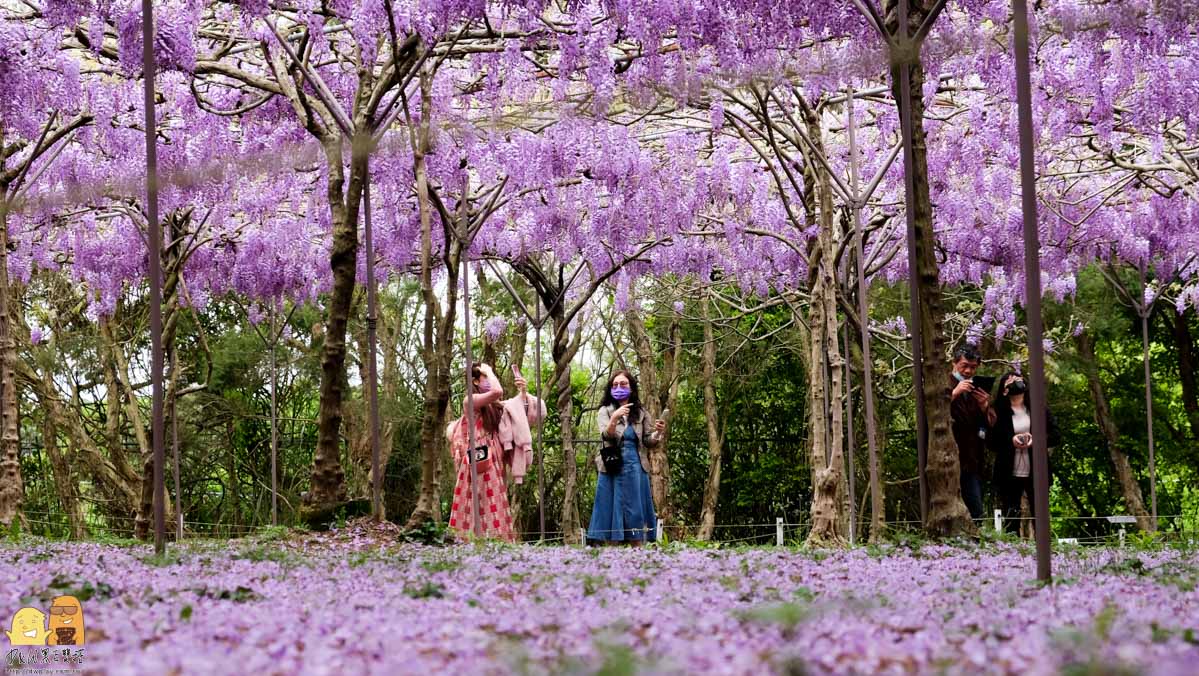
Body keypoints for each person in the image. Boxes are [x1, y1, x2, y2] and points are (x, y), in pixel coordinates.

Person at [447, 362, 544, 542]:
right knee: (474, 500)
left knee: (495, 501)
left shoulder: (494, 406)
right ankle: (466, 541)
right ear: (475, 381)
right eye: (485, 376)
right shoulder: (470, 400)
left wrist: (523, 392)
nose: (490, 379)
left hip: (494, 457)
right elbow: (497, 392)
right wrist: (489, 370)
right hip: (478, 457)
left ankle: (498, 543)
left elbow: (519, 414)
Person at [587, 370, 666, 546]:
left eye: (623, 384)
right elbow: (607, 437)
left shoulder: (641, 412)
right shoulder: (604, 411)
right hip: (612, 466)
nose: (619, 388)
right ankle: (611, 557)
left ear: (631, 388)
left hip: (636, 466)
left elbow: (648, 441)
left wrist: (658, 433)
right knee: (610, 509)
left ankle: (637, 553)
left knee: (635, 510)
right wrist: (614, 418)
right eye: (615, 385)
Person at [988, 372, 1061, 535]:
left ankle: (1045, 550)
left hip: (1036, 470)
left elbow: (1056, 435)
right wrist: (1010, 441)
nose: (1015, 384)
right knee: (1011, 513)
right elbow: (991, 441)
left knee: (1040, 514)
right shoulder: (997, 411)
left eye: (1018, 380)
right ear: (1004, 388)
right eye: (1010, 382)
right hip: (1008, 470)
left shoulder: (1038, 408)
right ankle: (1013, 551)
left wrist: (1036, 440)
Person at [949, 344, 990, 521]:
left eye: (973, 367)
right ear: (954, 363)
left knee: (975, 507)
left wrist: (984, 406)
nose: (968, 370)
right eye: (964, 365)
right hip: (949, 455)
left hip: (972, 457)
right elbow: (932, 410)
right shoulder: (944, 382)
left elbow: (989, 423)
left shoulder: (976, 389)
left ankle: (976, 542)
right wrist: (954, 393)